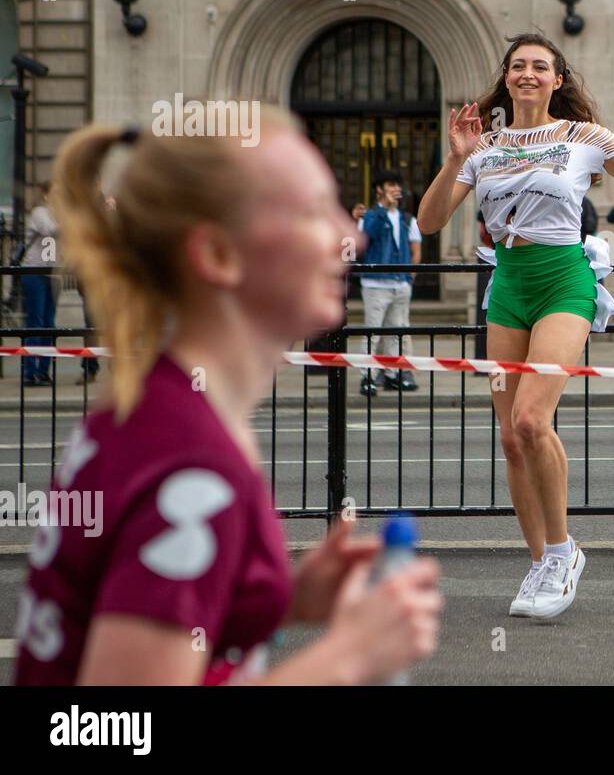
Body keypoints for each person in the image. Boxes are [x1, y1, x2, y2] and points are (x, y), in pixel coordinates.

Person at [15, 114, 442, 684]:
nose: (353, 235)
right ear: (218, 254)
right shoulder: (191, 466)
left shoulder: (161, 408)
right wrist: (346, 659)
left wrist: (272, 602)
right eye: (315, 211)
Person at [416, 32, 614, 619]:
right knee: (511, 437)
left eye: (540, 66)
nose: (528, 74)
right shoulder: (484, 147)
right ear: (506, 78)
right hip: (507, 286)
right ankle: (540, 561)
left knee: (533, 419)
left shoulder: (583, 138)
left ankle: (563, 553)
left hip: (564, 280)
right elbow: (431, 220)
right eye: (518, 66)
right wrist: (457, 157)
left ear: (558, 80)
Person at [351, 170, 422, 396]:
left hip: (399, 283)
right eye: (391, 185)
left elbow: (410, 248)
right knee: (373, 332)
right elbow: (365, 238)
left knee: (396, 332)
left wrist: (408, 278)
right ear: (379, 189)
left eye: (397, 186)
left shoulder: (404, 217)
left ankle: (393, 374)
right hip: (376, 284)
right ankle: (368, 377)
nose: (395, 190)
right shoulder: (371, 216)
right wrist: (382, 209)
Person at [19, 180, 58, 388]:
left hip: (52, 275)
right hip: (34, 273)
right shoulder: (40, 213)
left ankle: (44, 371)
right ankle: (29, 371)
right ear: (45, 194)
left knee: (49, 324)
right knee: (36, 322)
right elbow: (51, 230)